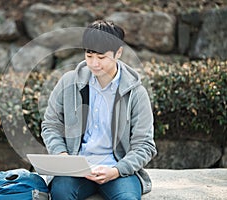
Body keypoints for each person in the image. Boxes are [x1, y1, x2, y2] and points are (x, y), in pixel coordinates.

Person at [41, 20, 157, 200]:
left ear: (118, 52)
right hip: (76, 170)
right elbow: (51, 125)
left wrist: (117, 170)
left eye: (102, 57)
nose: (94, 63)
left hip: (118, 171)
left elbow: (145, 145)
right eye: (89, 55)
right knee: (60, 194)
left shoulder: (136, 93)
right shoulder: (68, 82)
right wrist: (62, 156)